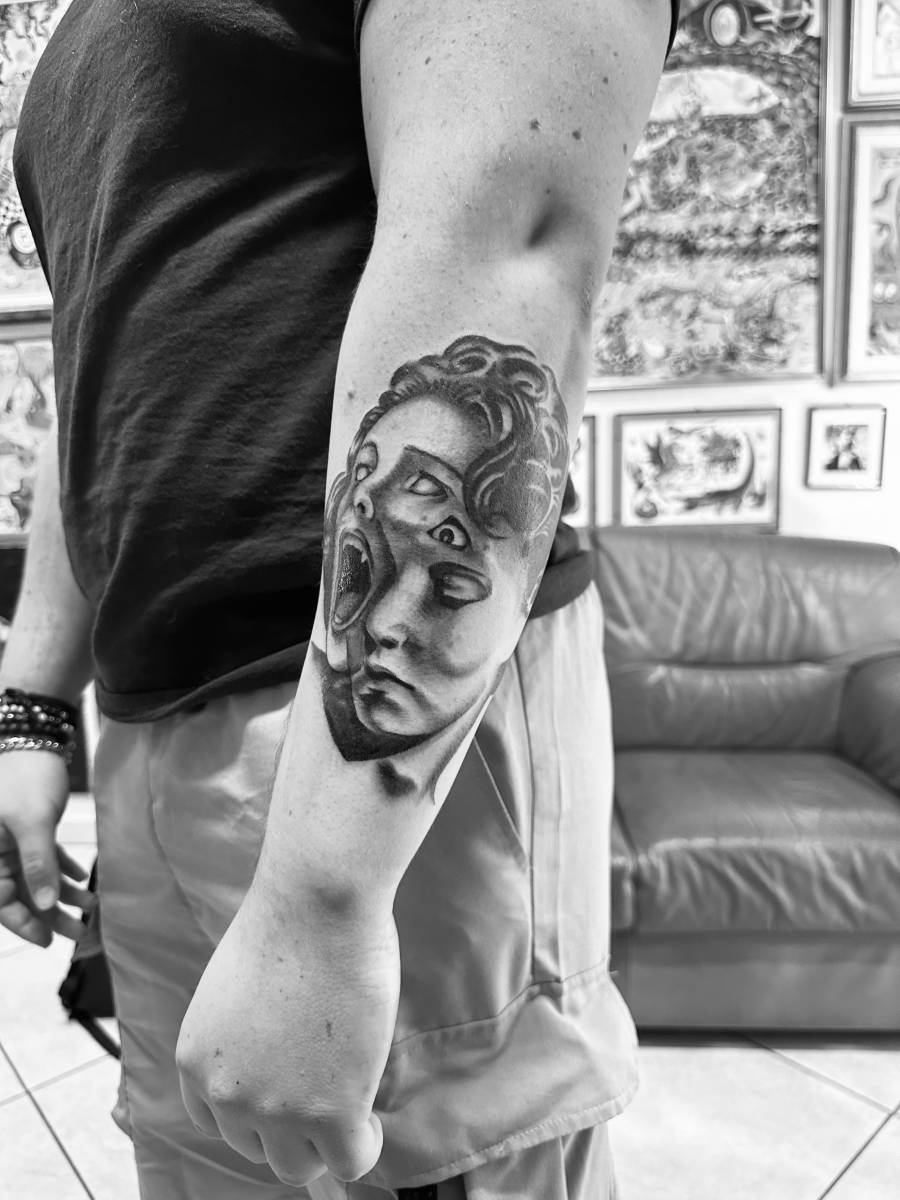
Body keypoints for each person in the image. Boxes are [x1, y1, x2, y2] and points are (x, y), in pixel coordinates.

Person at [0, 1, 677, 1197]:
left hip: (372, 733)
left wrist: (326, 890)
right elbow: (93, 376)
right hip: (149, 716)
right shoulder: (71, 42)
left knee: (444, 1164)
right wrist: (32, 706)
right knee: (206, 1160)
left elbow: (505, 239)